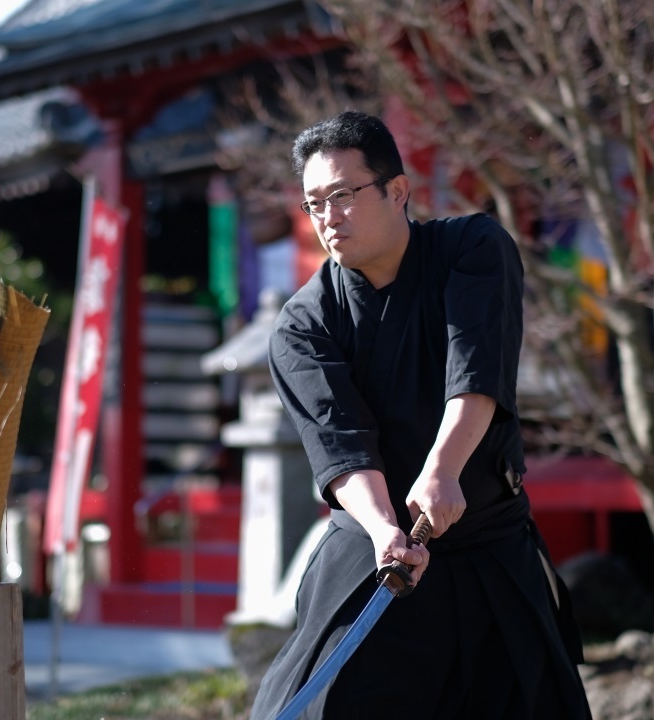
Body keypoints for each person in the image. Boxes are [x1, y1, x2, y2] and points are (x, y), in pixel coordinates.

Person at [249, 110, 592, 719]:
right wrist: (386, 532)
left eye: (344, 196)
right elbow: (342, 446)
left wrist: (443, 470)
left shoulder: (472, 248)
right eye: (314, 204)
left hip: (488, 541)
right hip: (375, 553)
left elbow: (475, 371)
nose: (328, 218)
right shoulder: (303, 325)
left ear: (397, 190)